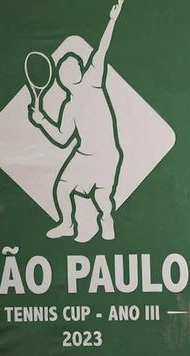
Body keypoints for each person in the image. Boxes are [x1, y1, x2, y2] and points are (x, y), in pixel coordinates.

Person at [28, 0, 124, 243]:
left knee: (102, 198)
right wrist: (41, 121)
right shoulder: (68, 107)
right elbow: (61, 138)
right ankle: (67, 224)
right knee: (62, 187)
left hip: (107, 155)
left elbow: (101, 50)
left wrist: (112, 20)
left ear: (80, 70)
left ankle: (106, 218)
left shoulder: (93, 80)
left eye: (70, 67)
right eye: (61, 70)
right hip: (83, 155)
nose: (65, 71)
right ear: (60, 79)